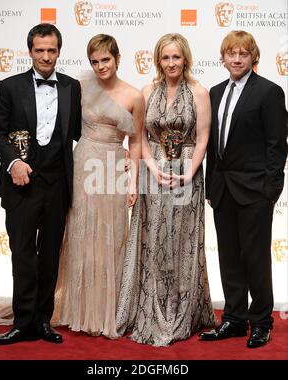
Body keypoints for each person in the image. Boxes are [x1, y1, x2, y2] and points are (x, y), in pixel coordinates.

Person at [116, 33, 215, 346]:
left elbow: (203, 137)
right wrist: (151, 165)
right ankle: (149, 308)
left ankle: (180, 312)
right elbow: (140, 136)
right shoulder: (148, 91)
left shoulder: (199, 92)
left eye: (176, 57)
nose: (171, 63)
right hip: (153, 171)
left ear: (185, 58)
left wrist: (188, 173)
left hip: (187, 172)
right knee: (154, 239)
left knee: (180, 242)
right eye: (165, 57)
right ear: (158, 60)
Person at [0, 23, 82, 345]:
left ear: (59, 51)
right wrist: (14, 163)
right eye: (39, 50)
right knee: (23, 255)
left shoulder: (71, 87)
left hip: (57, 184)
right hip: (21, 185)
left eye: (51, 50)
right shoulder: (9, 86)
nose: (45, 56)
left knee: (50, 257)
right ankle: (22, 322)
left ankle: (43, 321)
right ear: (29, 51)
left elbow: (81, 133)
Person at [200, 31, 287, 348]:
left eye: (243, 54)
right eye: (231, 53)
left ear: (254, 57)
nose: (236, 59)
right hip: (222, 190)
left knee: (256, 258)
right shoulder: (215, 92)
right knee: (229, 257)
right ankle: (234, 320)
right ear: (222, 57)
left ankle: (261, 322)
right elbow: (212, 146)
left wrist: (270, 190)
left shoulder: (269, 92)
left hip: (255, 191)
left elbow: (277, 146)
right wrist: (211, 184)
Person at [53, 34, 144, 338]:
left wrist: (133, 182)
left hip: (113, 170)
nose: (101, 66)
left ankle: (109, 311)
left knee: (111, 236)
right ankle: (77, 309)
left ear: (118, 58)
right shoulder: (80, 87)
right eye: (95, 61)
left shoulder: (134, 96)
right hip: (82, 166)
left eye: (106, 59)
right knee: (80, 234)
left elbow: (137, 142)